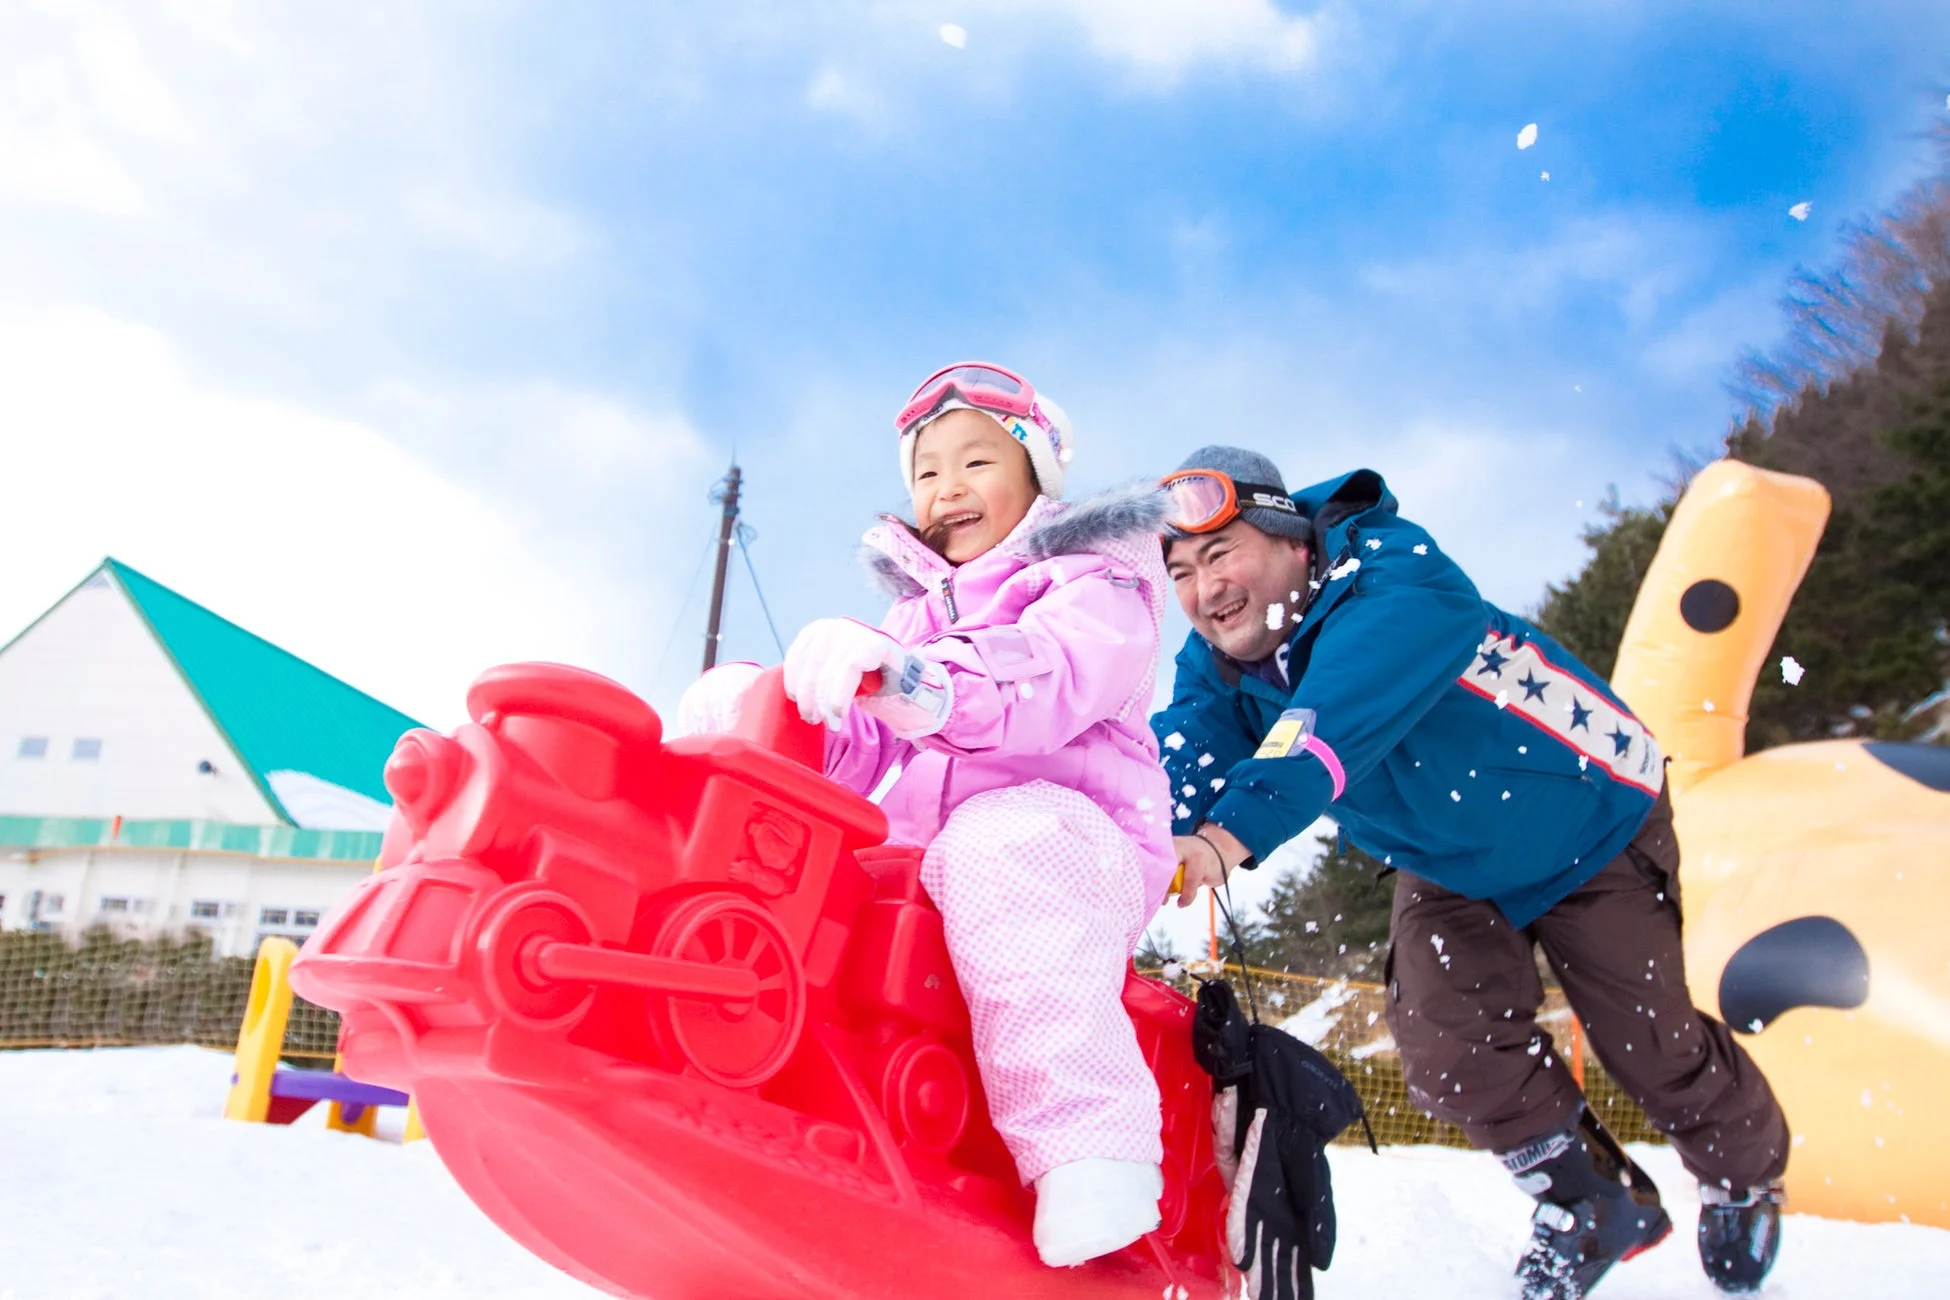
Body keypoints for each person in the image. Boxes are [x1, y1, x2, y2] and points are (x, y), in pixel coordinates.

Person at [1148, 446, 1790, 1300]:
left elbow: (1327, 720)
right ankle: (1589, 1202)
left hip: (1588, 821)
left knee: (1651, 1046)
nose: (1205, 590)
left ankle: (1744, 1174)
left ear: (1292, 541)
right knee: (1445, 1045)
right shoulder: (1222, 663)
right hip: (1449, 863)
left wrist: (1227, 835)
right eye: (1182, 573)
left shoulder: (1399, 580)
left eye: (1221, 554)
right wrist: (1128, 836)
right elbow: (1179, 754)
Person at [677, 363, 1177, 1268]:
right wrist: (771, 706)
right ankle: (794, 1103)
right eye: (927, 470)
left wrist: (920, 680)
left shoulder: (1094, 585)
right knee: (846, 879)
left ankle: (1093, 1151)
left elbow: (1046, 679)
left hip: (1073, 848)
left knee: (1000, 842)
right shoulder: (912, 618)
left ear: (1037, 477)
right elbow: (859, 748)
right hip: (938, 861)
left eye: (977, 461)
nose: (948, 487)